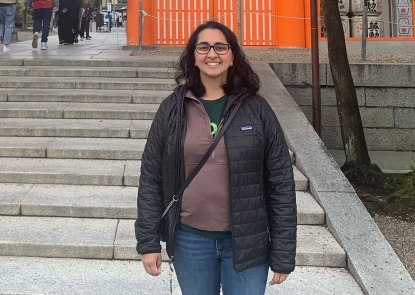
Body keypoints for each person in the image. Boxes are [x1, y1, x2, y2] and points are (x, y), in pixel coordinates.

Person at [135, 21, 297, 295]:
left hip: (247, 241)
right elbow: (151, 178)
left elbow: (280, 183)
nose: (212, 54)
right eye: (203, 47)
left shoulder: (257, 109)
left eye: (221, 47)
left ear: (233, 55)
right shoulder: (173, 109)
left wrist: (283, 253)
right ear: (193, 57)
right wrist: (148, 242)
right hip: (190, 239)